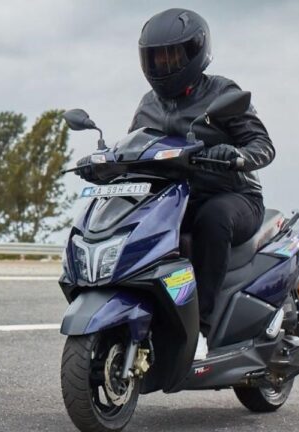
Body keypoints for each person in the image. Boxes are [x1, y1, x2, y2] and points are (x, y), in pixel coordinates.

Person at [76, 8, 275, 360]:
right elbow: (133, 152)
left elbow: (263, 145)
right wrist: (100, 166)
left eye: (172, 56)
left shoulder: (222, 92)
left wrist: (236, 155)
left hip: (232, 195)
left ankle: (202, 328)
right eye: (156, 57)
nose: (163, 64)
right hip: (174, 199)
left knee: (212, 220)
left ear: (195, 51)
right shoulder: (148, 104)